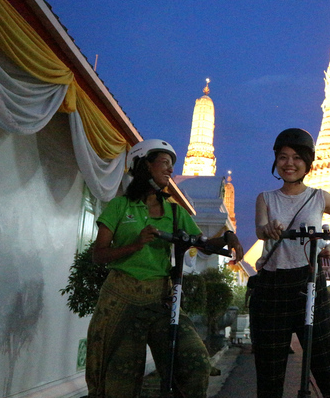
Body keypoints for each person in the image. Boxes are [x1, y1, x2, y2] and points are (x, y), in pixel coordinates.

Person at [85, 139, 244, 398]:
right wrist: (134, 245)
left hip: (161, 299)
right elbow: (99, 254)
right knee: (118, 379)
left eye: (172, 165)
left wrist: (228, 237)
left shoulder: (174, 212)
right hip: (121, 300)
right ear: (144, 165)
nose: (170, 170)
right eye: (164, 163)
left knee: (194, 362)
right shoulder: (120, 206)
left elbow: (201, 244)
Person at [251, 128, 330, 398]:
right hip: (272, 285)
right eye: (283, 157)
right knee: (269, 369)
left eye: (297, 157)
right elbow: (261, 229)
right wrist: (271, 227)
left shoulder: (319, 197)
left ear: (308, 163)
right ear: (276, 161)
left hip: (310, 281)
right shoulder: (265, 198)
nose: (289, 163)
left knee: (326, 364)